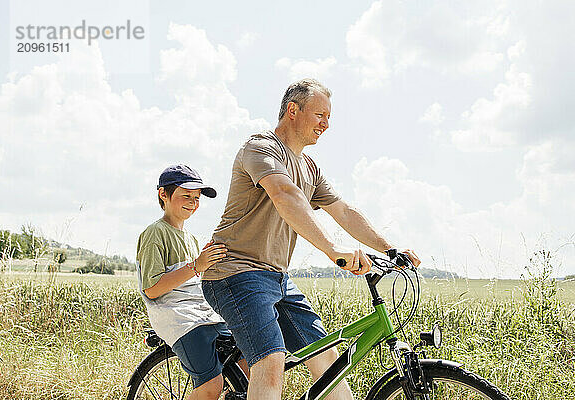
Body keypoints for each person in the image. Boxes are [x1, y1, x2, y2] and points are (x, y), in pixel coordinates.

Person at [202, 79, 421, 400]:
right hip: (235, 273)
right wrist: (333, 250)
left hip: (276, 278)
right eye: (320, 115)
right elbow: (284, 193)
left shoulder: (309, 167)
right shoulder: (261, 148)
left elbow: (344, 212)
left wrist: (389, 249)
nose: (326, 124)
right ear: (293, 110)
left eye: (329, 117)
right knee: (270, 361)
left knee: (326, 356)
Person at [136, 164, 230, 400]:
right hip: (179, 318)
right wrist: (196, 265)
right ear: (163, 195)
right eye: (186, 196)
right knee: (211, 385)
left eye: (197, 198)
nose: (193, 202)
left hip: (203, 313)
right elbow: (153, 288)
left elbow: (195, 277)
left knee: (248, 358)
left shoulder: (191, 238)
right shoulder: (155, 233)